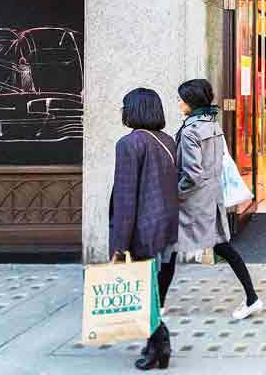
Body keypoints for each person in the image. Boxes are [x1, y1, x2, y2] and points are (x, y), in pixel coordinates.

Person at [165, 79, 262, 322]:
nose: (178, 103)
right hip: (213, 197)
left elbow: (192, 174)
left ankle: (159, 304)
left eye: (181, 99)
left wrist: (175, 194)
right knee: (222, 247)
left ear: (190, 102)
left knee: (170, 249)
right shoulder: (213, 126)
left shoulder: (190, 132)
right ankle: (251, 297)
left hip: (191, 203)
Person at [109, 88, 178, 371]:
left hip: (143, 232)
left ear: (134, 110)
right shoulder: (168, 140)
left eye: (125, 106)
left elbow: (126, 198)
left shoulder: (129, 144)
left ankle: (159, 342)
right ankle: (156, 345)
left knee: (143, 291)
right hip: (166, 228)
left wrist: (119, 245)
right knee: (152, 292)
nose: (122, 111)